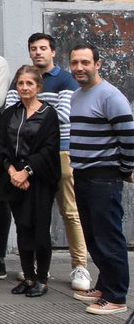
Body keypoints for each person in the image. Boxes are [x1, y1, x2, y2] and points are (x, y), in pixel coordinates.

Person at [2, 33, 88, 292]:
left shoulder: (64, 79)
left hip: (57, 157)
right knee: (28, 223)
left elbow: (63, 117)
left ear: (52, 51)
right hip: (18, 168)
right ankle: (34, 273)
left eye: (43, 48)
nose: (38, 52)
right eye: (33, 49)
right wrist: (14, 170)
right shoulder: (13, 105)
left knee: (68, 211)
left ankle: (78, 265)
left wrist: (27, 170)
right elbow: (5, 130)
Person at [68, 44, 134, 316]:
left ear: (98, 64)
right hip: (82, 174)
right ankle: (105, 286)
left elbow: (128, 136)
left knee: (108, 237)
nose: (79, 67)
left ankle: (117, 296)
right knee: (94, 237)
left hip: (103, 176)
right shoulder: (76, 95)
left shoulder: (110, 95)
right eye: (75, 62)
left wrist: (125, 168)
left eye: (85, 62)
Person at [0, 65, 60, 299]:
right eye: (20, 83)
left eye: (29, 84)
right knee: (23, 228)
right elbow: (1, 145)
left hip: (39, 181)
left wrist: (27, 171)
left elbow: (49, 149)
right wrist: (13, 171)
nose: (24, 87)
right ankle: (28, 276)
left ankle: (42, 279)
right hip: (14, 180)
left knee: (40, 230)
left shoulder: (48, 114)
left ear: (38, 87)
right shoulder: (10, 113)